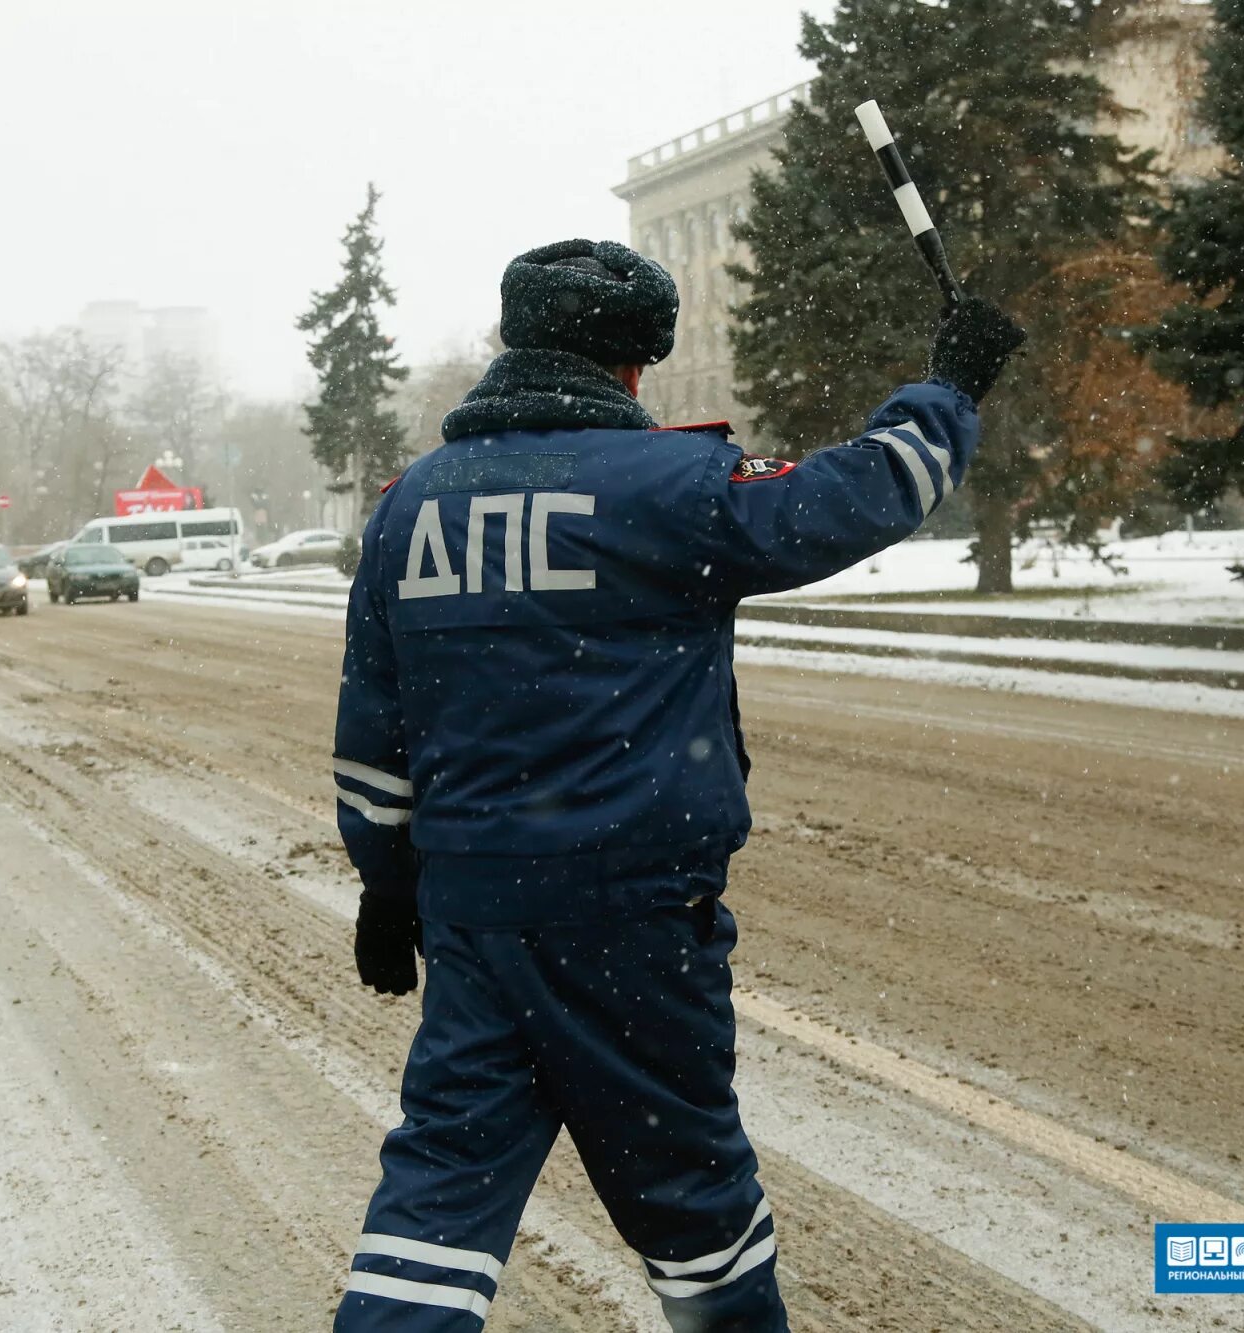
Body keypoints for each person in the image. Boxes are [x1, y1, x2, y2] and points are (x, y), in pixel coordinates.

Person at [331, 238, 1025, 1332]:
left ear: (516, 338)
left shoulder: (411, 506)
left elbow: (373, 732)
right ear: (636, 365)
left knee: (438, 1194)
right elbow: (857, 498)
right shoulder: (672, 487)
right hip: (630, 918)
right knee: (692, 1202)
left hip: (473, 915)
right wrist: (947, 388)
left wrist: (385, 880)